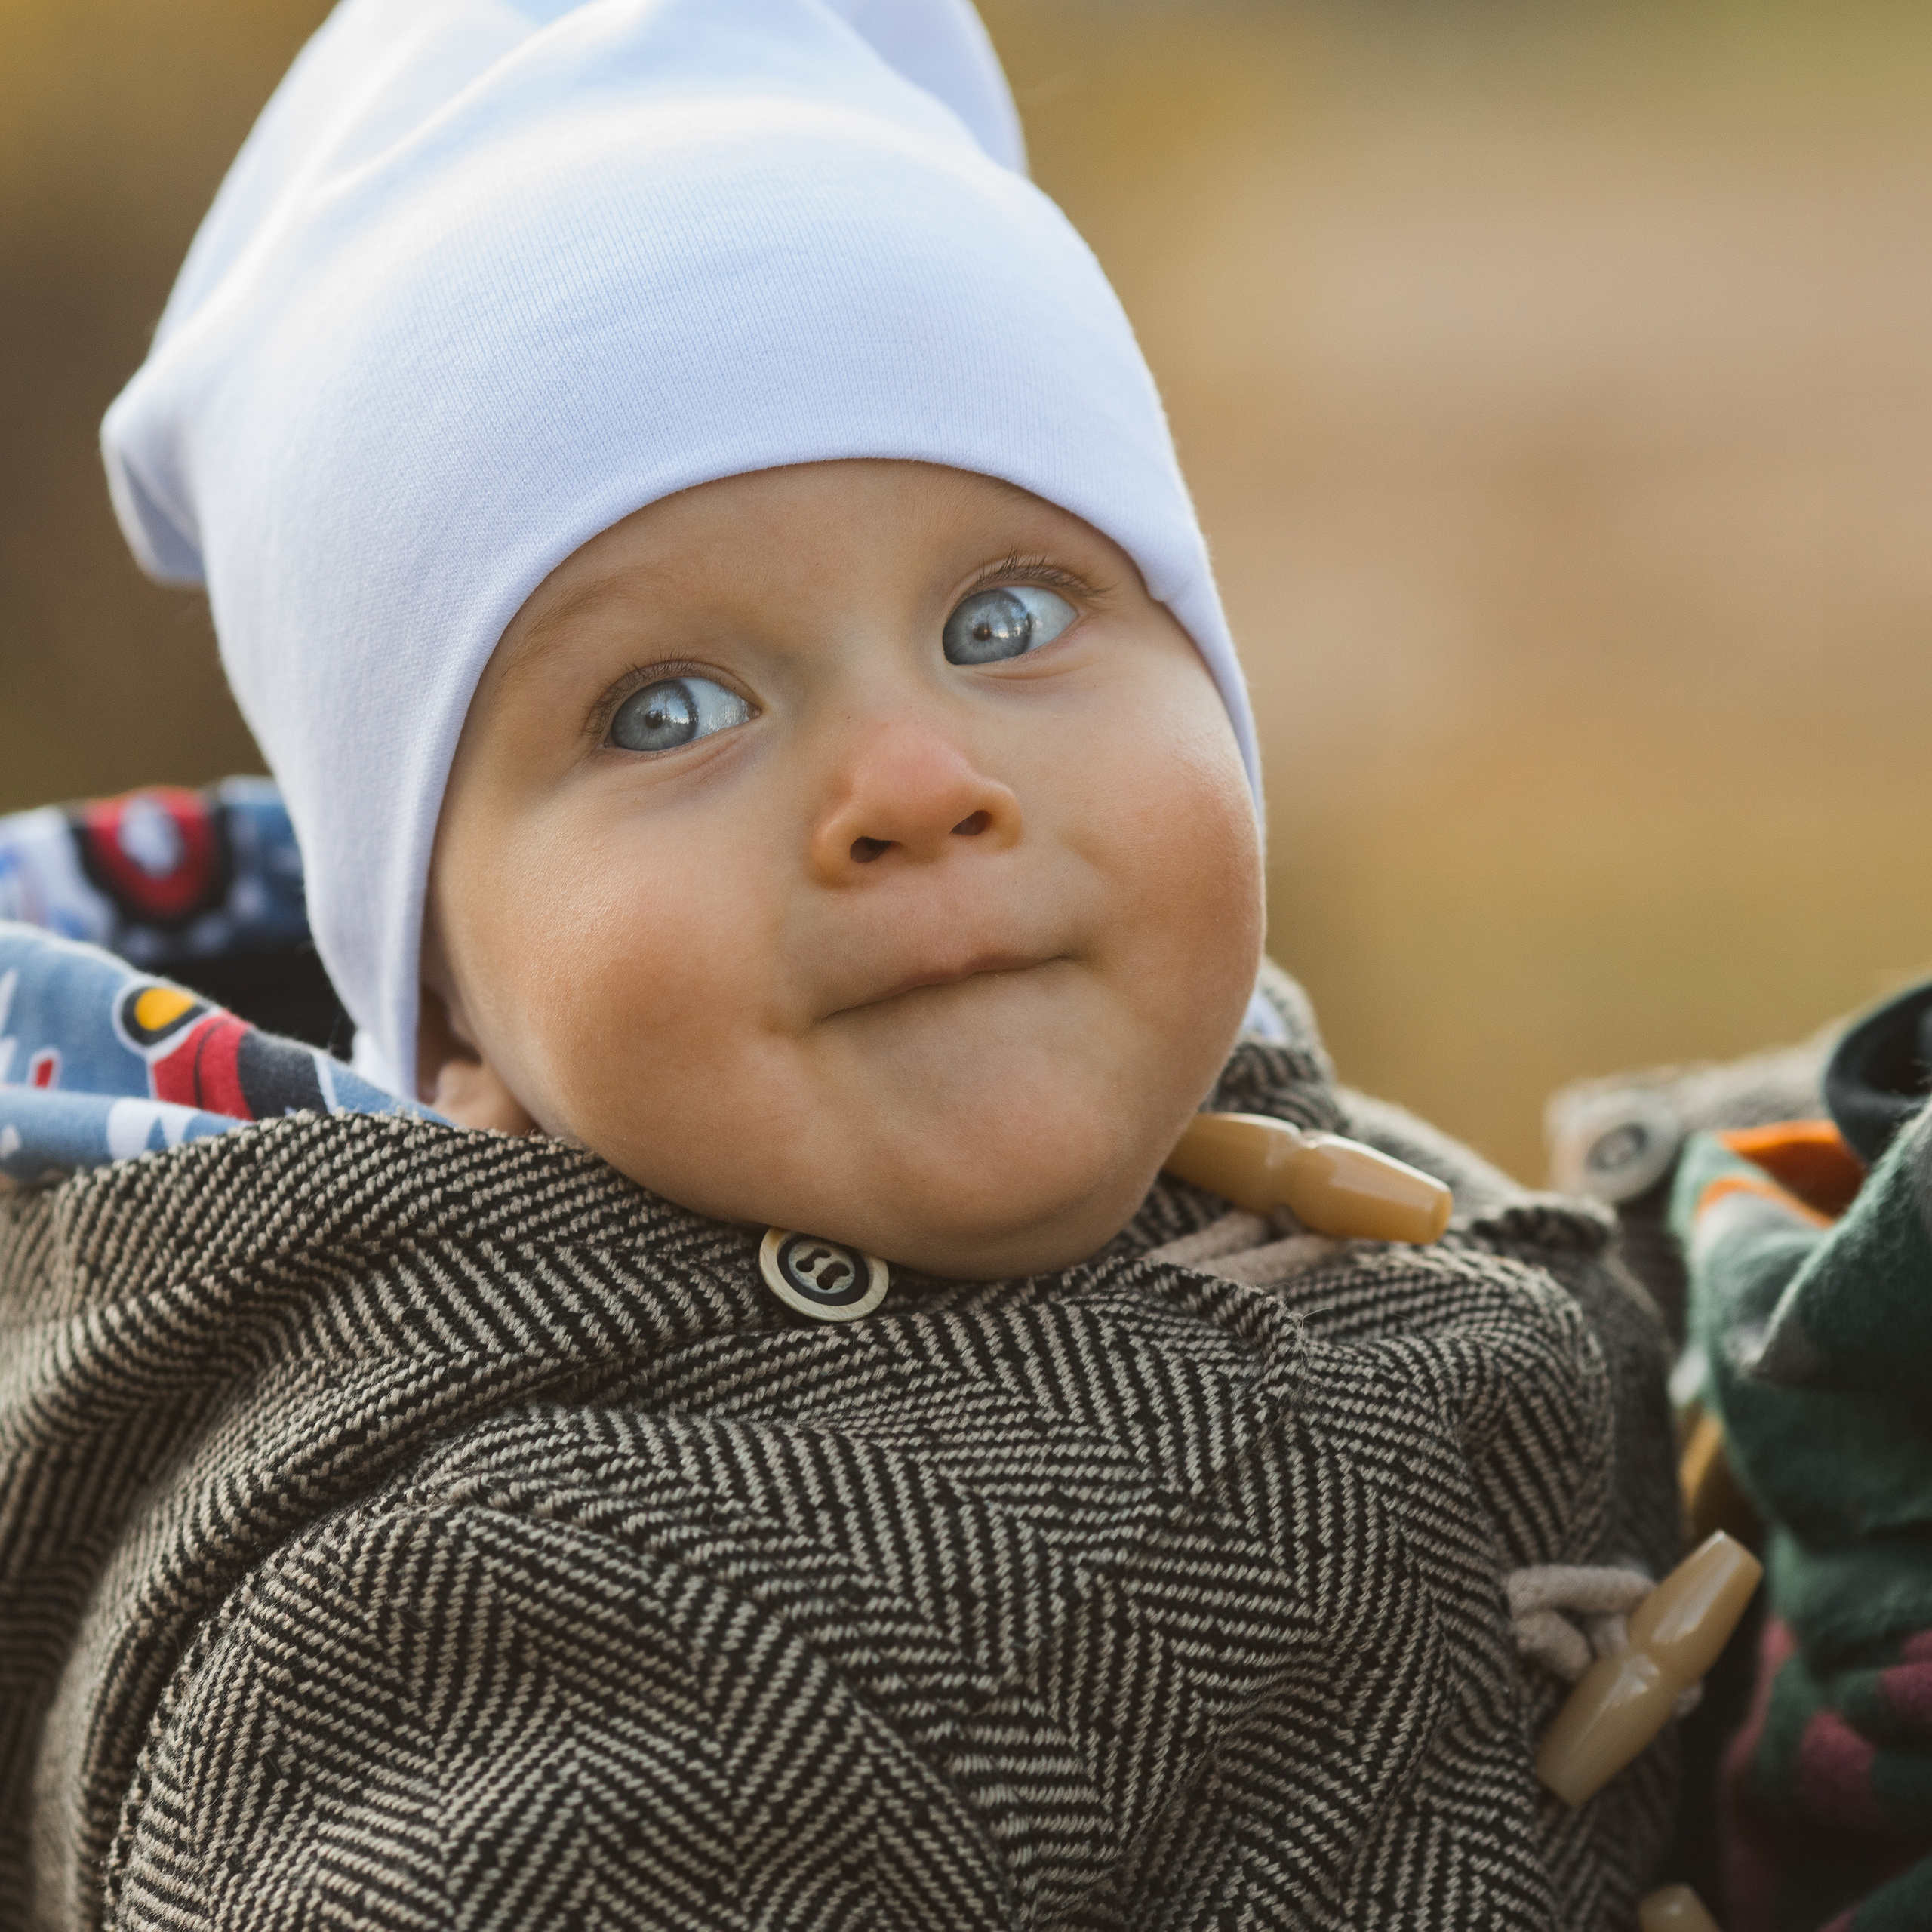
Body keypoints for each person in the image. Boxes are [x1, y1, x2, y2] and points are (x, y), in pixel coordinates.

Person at [0, 1, 1679, 1924]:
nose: (910, 782)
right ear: (450, 1009)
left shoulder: (1302, 1171)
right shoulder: (511, 1614)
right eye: (667, 709)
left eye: (1010, 612)